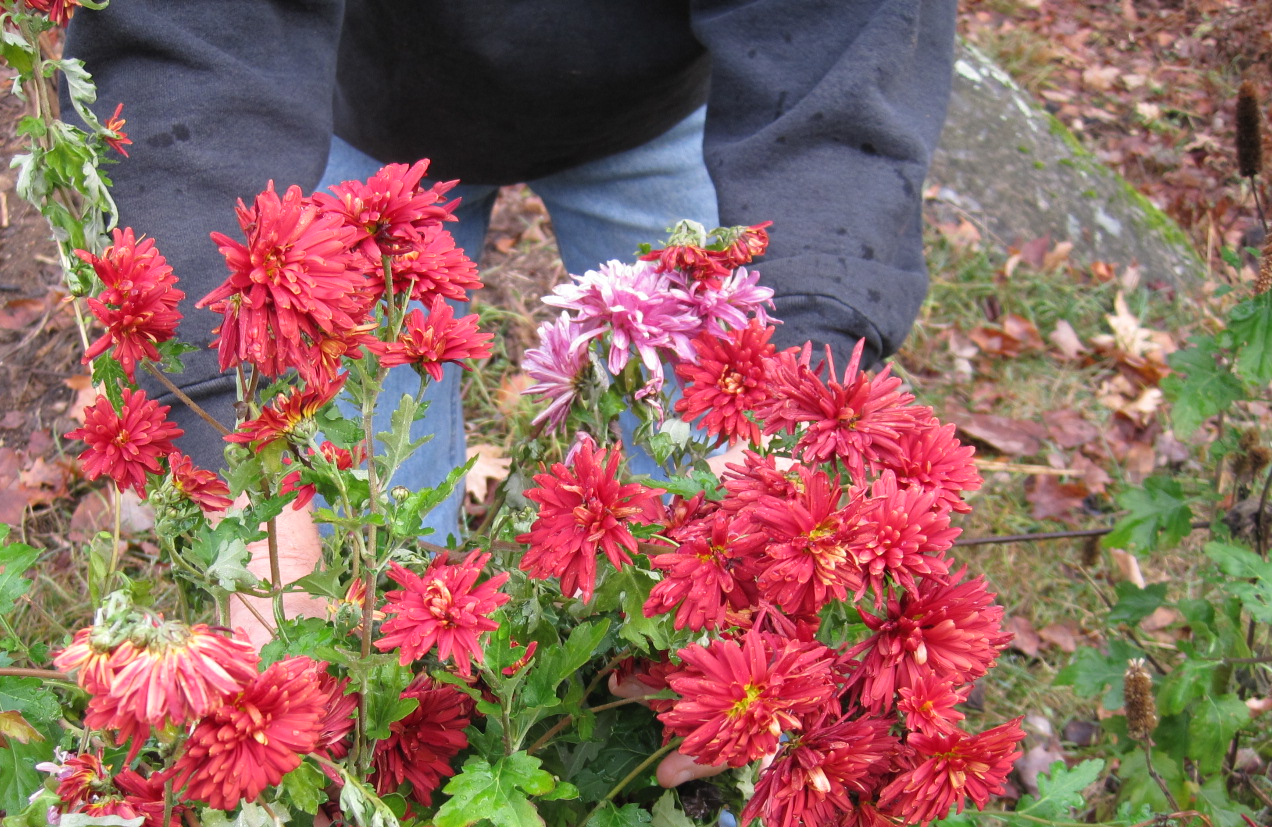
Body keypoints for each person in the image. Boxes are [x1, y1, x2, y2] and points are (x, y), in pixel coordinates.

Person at [65, 0, 957, 783]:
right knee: (359, 543)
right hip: (366, 98)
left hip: (650, 103)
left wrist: (802, 386)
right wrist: (232, 422)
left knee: (711, 503)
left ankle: (705, 780)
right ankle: (405, 742)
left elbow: (844, 30)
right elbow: (190, 31)